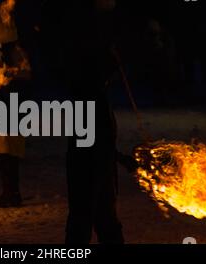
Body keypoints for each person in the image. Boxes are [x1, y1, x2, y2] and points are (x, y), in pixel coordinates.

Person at [61, 0, 136, 244]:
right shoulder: (88, 96)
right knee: (87, 219)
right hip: (90, 166)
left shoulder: (92, 95)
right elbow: (94, 142)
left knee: (104, 219)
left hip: (96, 164)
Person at [0, 7, 32, 208]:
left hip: (11, 106)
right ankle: (9, 192)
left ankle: (12, 193)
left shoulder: (15, 51)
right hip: (0, 105)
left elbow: (26, 75)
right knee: (1, 152)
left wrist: (7, 76)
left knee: (9, 152)